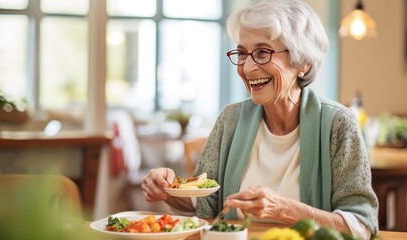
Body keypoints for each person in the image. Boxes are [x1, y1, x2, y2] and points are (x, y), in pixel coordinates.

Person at [141, 0, 378, 238]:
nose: (248, 67)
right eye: (242, 53)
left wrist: (284, 209)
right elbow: (205, 206)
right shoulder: (230, 120)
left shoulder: (337, 123)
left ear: (302, 62)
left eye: (263, 52)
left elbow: (361, 226)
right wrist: (167, 191)